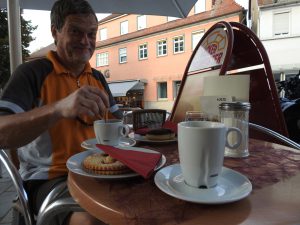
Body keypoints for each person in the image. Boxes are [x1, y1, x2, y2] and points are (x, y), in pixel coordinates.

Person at [0, 0, 122, 224]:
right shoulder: (31, 73)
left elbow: (119, 127)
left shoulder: (97, 78)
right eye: (75, 31)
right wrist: (59, 108)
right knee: (94, 219)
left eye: (92, 33)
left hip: (99, 173)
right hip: (50, 178)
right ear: (55, 32)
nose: (86, 41)